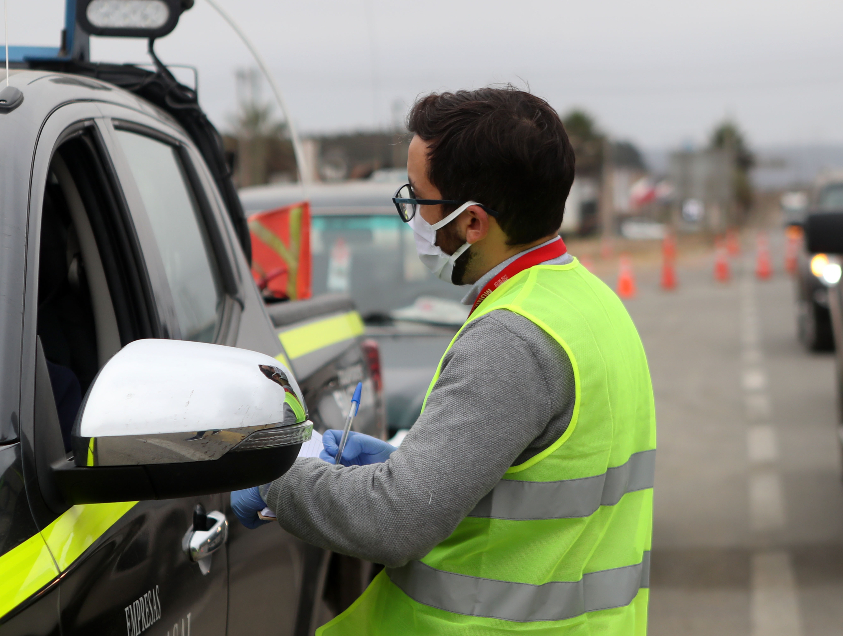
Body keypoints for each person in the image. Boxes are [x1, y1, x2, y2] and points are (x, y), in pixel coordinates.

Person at [232, 87, 655, 635]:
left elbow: (395, 520)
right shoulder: (590, 304)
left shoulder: (511, 339)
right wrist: (401, 466)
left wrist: (278, 479)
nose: (412, 216)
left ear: (473, 222)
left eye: (418, 200)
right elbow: (538, 486)